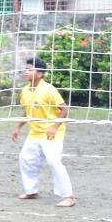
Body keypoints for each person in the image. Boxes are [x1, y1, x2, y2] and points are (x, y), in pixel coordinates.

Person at [11, 57, 75, 208]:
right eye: (26, 69)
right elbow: (26, 111)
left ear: (39, 74)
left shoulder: (48, 89)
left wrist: (54, 127)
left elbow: (64, 109)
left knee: (54, 161)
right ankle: (31, 191)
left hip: (52, 132)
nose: (26, 72)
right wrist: (18, 128)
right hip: (35, 133)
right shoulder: (25, 91)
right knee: (25, 159)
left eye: (30, 69)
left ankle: (69, 196)